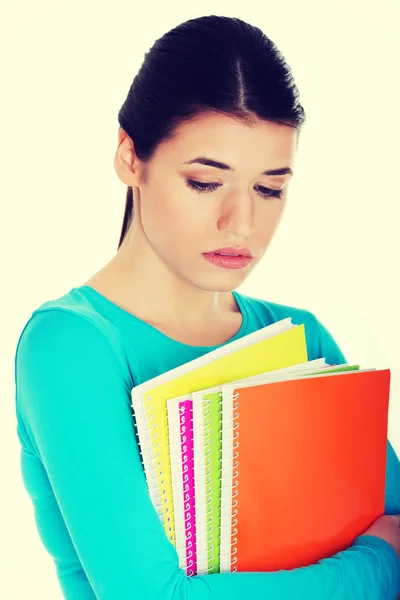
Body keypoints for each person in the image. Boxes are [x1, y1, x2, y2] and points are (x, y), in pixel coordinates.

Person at [14, 14, 400, 600]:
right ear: (129, 156)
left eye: (270, 189)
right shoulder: (71, 346)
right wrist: (375, 564)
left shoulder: (301, 339)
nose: (242, 223)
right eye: (204, 182)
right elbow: (149, 596)